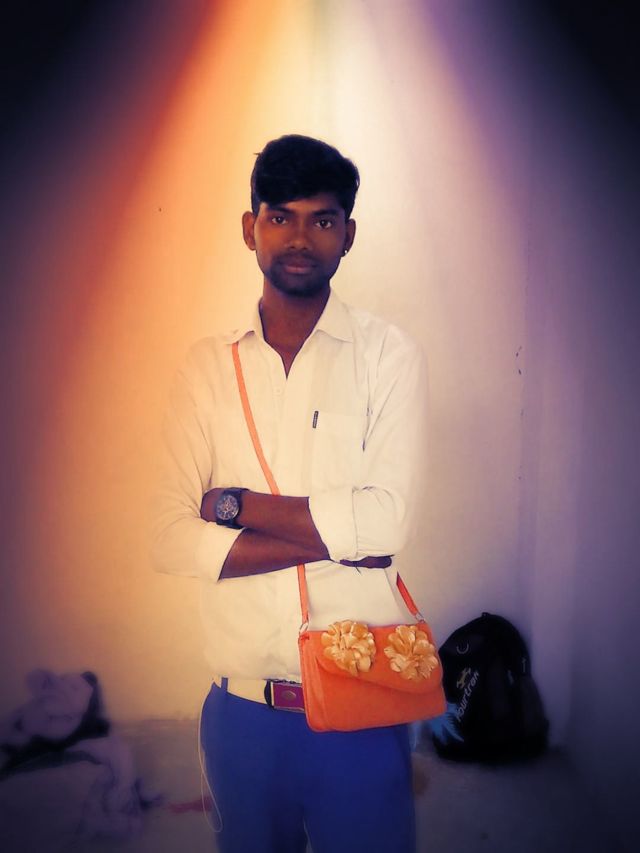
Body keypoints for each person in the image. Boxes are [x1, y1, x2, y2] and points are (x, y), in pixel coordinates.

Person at [152, 134, 428, 853]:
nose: (300, 237)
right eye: (281, 216)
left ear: (348, 235)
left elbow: (387, 521)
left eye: (322, 219)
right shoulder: (207, 369)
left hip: (363, 702)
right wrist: (341, 541)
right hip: (242, 713)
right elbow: (169, 537)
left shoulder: (387, 356)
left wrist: (233, 506)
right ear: (251, 228)